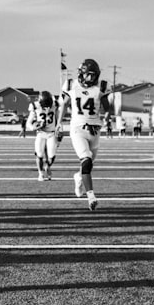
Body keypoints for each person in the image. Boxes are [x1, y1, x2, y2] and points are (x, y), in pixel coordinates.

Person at [59, 59, 108, 208]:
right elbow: (64, 104)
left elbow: (107, 107)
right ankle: (91, 197)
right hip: (77, 128)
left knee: (89, 164)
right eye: (89, 75)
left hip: (94, 130)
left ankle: (79, 178)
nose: (92, 79)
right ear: (81, 73)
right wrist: (59, 123)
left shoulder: (101, 87)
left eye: (94, 76)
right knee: (86, 161)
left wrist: (107, 115)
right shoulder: (70, 85)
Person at [27, 90, 59, 181]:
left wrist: (60, 128)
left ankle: (48, 166)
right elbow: (28, 123)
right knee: (39, 154)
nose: (47, 108)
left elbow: (58, 118)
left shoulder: (55, 104)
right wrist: (35, 127)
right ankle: (40, 173)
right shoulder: (35, 106)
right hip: (40, 133)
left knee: (52, 156)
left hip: (51, 133)